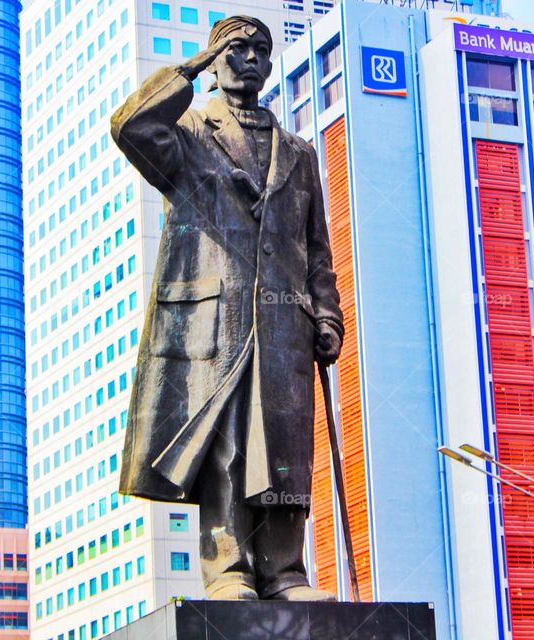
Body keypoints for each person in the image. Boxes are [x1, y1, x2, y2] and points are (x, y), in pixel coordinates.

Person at [111, 15, 343, 601]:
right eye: (237, 49)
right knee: (229, 448)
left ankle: (286, 572)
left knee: (285, 453)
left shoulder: (299, 152)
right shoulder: (188, 136)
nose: (252, 60)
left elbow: (316, 249)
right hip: (217, 322)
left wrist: (328, 315)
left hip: (285, 325)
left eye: (262, 51)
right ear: (216, 61)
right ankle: (228, 570)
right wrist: (189, 68)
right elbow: (130, 126)